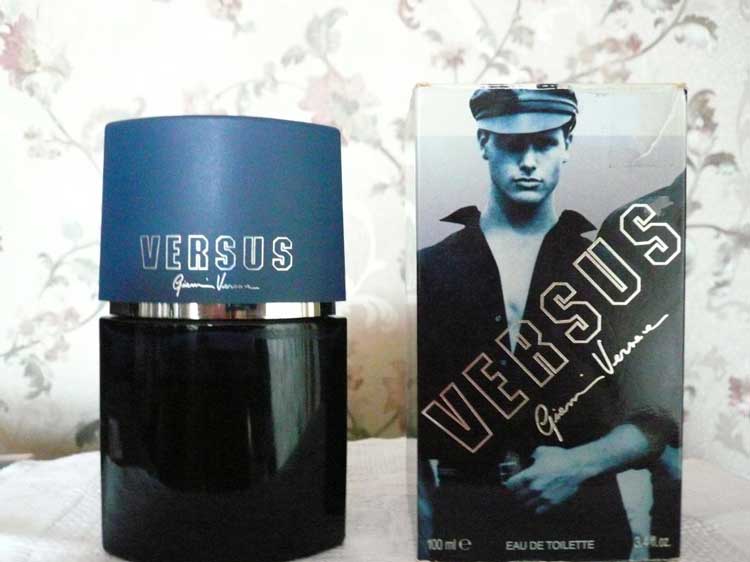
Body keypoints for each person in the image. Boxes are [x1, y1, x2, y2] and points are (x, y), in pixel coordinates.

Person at [417, 87, 672, 560]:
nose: (529, 162)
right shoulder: (429, 269)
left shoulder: (607, 268)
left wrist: (578, 464)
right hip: (467, 519)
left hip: (588, 520)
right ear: (483, 143)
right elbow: (417, 419)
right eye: (513, 145)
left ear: (567, 144)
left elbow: (656, 415)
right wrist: (425, 522)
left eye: (545, 143)